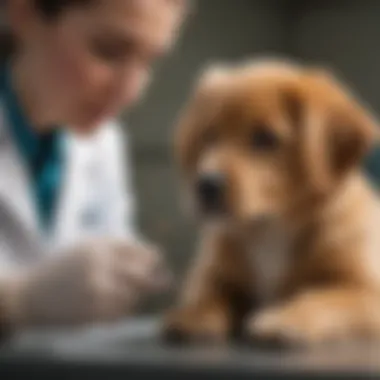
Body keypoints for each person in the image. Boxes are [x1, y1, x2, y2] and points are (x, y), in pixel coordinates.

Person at [0, 0, 189, 336]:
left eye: (149, 62)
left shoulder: (101, 142)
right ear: (23, 13)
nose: (131, 92)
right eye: (108, 51)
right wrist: (17, 300)